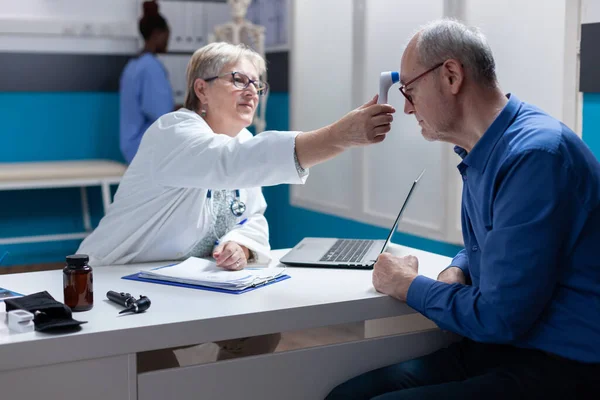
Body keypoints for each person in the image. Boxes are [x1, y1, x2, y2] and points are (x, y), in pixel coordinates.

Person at [326, 18, 600, 400]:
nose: (406, 108)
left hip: (563, 361)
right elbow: (501, 245)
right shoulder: (489, 150)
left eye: (409, 90)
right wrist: (459, 266)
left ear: (451, 75)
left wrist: (407, 285)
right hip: (513, 345)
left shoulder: (534, 156)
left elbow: (499, 317)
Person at [77, 41, 395, 367]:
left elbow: (253, 215)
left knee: (260, 331)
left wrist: (240, 244)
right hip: (118, 284)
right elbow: (231, 163)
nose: (252, 91)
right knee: (158, 371)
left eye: (257, 84)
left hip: (183, 286)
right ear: (201, 88)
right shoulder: (171, 133)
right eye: (239, 80)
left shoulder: (241, 141)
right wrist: (338, 136)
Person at [119, 0, 175, 164]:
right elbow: (161, 113)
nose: (168, 42)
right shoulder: (151, 67)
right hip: (143, 147)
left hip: (130, 144)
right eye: (167, 36)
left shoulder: (133, 64)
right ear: (158, 34)